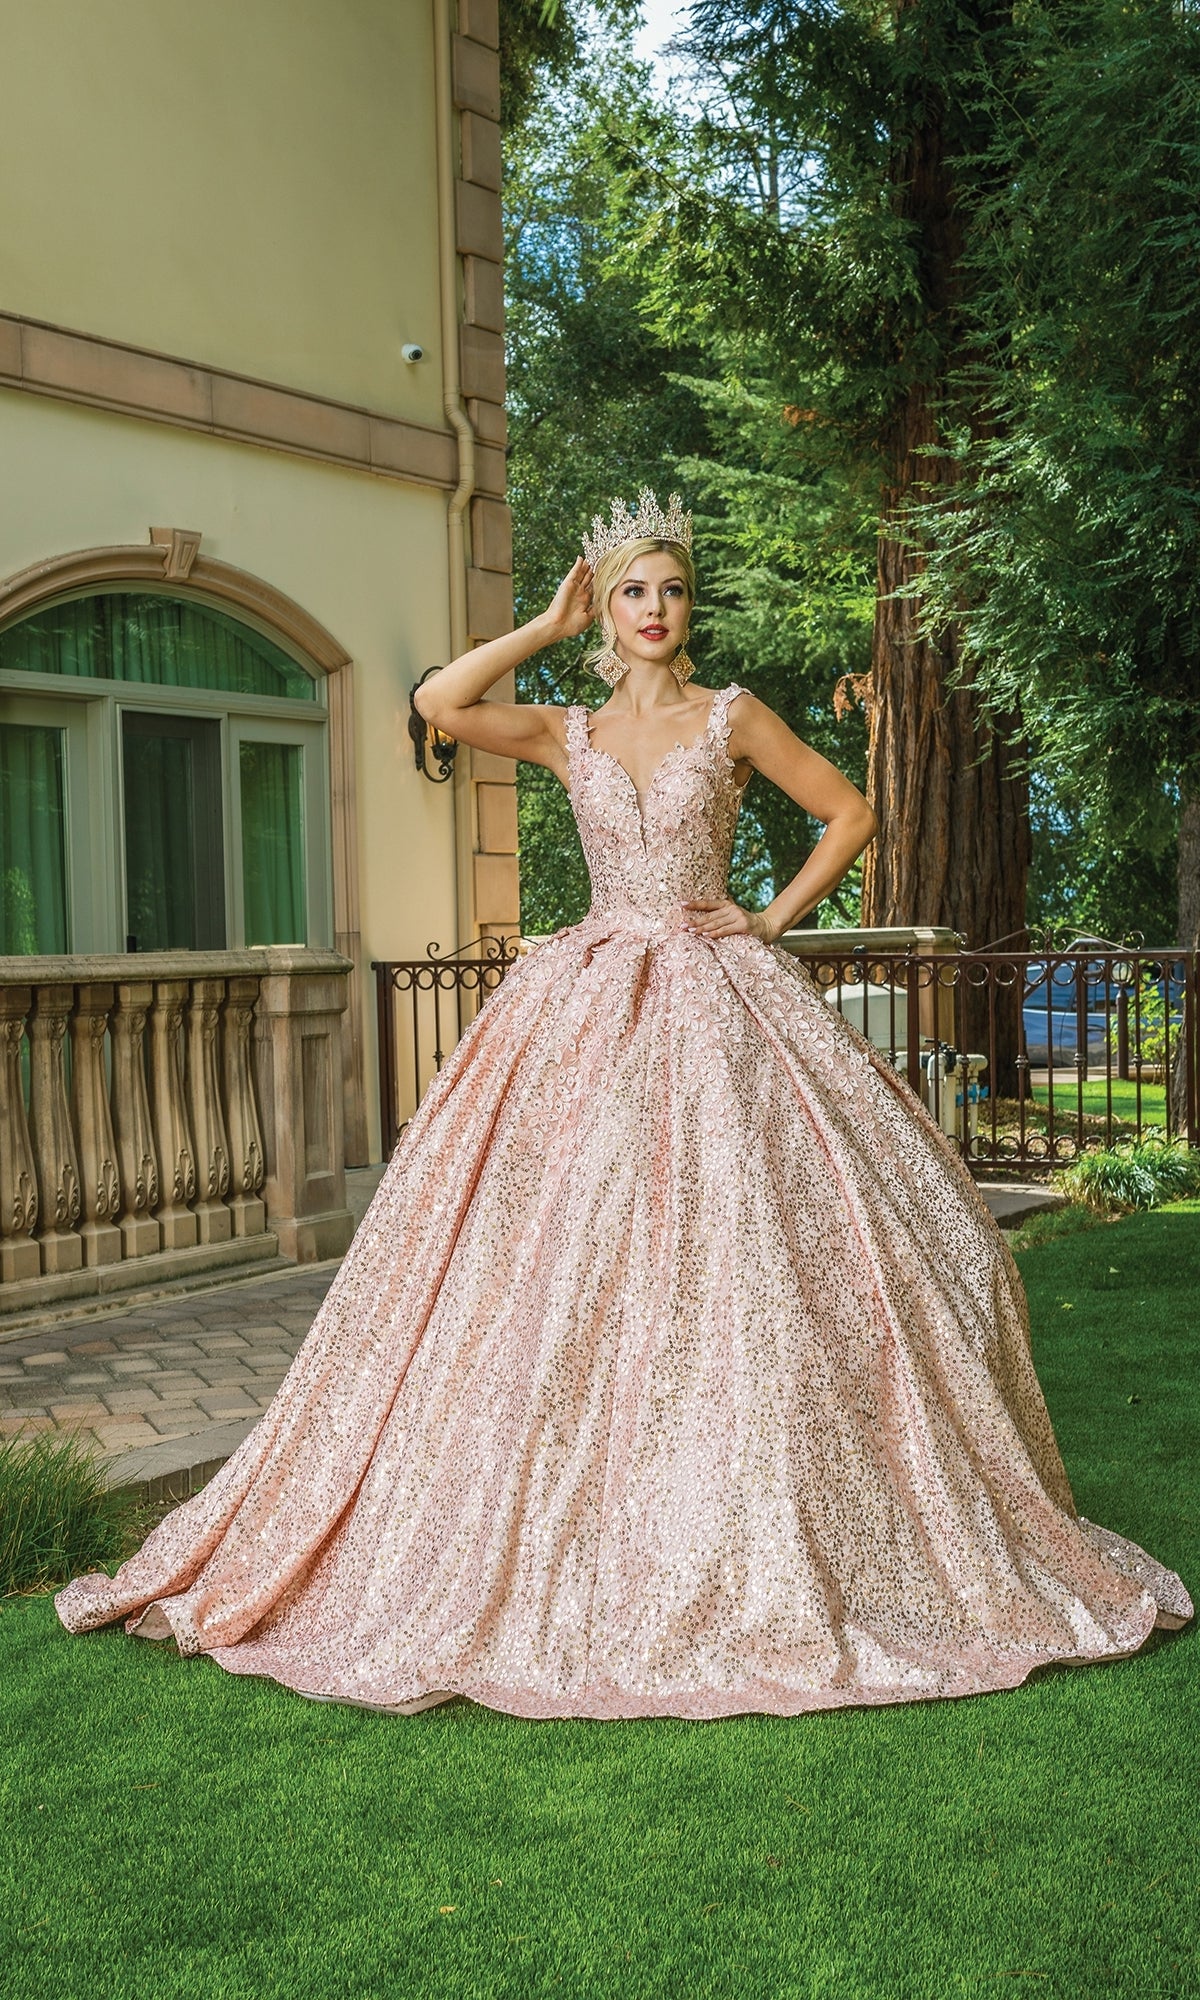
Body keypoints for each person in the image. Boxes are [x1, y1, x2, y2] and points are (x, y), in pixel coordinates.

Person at [57, 490, 1190, 1718]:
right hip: (588, 1001)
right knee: (564, 1253)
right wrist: (544, 626)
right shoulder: (567, 728)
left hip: (717, 996)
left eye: (672, 589)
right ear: (610, 606)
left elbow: (851, 813)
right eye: (633, 591)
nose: (656, 610)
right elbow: (438, 705)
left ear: (691, 607)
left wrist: (762, 918)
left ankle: (781, 1509)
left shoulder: (732, 715)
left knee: (762, 1243)